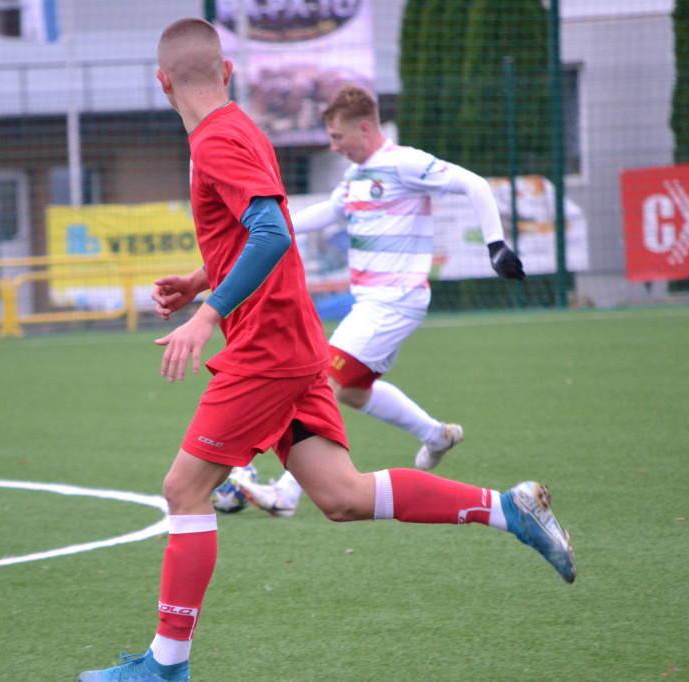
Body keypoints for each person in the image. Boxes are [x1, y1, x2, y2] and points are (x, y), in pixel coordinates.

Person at [77, 18, 575, 682]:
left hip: (265, 350)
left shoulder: (215, 141)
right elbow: (265, 226)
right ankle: (507, 508)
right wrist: (203, 277)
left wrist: (207, 313)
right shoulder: (241, 128)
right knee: (342, 495)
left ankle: (166, 668)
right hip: (295, 340)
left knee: (184, 490)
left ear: (162, 83)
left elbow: (270, 234)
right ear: (228, 72)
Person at [238, 83, 525, 518]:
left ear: (365, 128)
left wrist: (496, 245)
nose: (334, 146)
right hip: (372, 304)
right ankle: (436, 435)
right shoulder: (356, 175)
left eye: (338, 137)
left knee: (321, 383)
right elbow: (329, 211)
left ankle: (286, 494)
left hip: (394, 302)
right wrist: (274, 227)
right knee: (354, 392)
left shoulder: (404, 162)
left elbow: (474, 183)